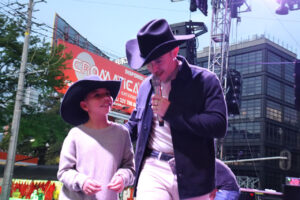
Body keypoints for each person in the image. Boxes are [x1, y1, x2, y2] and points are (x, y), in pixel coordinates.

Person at [124, 19, 228, 200]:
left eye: (158, 61)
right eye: (148, 63)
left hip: (194, 173)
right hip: (152, 168)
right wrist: (106, 132)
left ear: (175, 51)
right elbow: (134, 124)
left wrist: (172, 112)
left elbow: (219, 125)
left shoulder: (205, 80)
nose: (154, 69)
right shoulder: (145, 86)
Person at [57, 75, 135, 200]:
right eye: (97, 95)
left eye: (108, 93)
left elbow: (130, 168)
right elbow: (64, 172)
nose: (106, 98)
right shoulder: (75, 134)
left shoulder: (122, 133)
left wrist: (122, 177)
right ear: (84, 106)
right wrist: (82, 181)